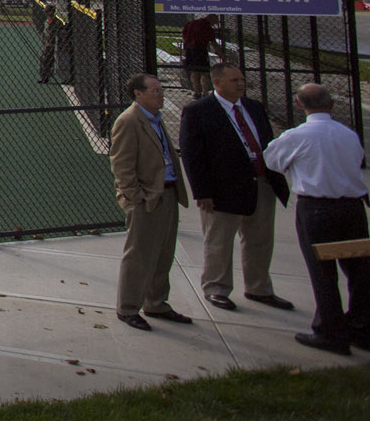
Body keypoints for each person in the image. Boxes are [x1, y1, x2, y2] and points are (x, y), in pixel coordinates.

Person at [262, 82, 370, 355]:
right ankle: (360, 326)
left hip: (317, 210)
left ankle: (330, 332)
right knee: (358, 270)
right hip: (352, 209)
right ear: (331, 104)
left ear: (299, 104)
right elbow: (357, 161)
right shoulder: (348, 135)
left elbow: (272, 160)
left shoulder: (297, 136)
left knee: (323, 272)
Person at [178, 61, 291, 312]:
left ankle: (259, 288)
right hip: (222, 189)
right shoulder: (198, 111)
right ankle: (216, 288)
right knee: (219, 240)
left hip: (261, 184)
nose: (240, 84)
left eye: (241, 79)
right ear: (216, 83)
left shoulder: (254, 107)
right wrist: (202, 192)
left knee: (260, 240)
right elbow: (193, 155)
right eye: (234, 80)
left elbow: (268, 143)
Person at [110, 72, 190, 329]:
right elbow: (122, 165)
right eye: (155, 90)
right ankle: (128, 307)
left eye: (161, 89)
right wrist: (136, 198)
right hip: (147, 198)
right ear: (138, 94)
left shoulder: (155, 120)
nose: (161, 94)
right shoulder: (129, 121)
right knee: (140, 255)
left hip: (167, 193)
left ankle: (156, 303)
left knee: (164, 253)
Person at [181, 13, 221, 96]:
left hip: (189, 49)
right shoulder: (207, 27)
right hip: (200, 50)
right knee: (204, 72)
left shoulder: (191, 23)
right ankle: (205, 92)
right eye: (215, 22)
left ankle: (196, 91)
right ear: (211, 19)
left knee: (194, 71)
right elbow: (213, 42)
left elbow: (183, 35)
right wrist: (221, 54)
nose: (214, 24)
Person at [36, 4, 70, 84]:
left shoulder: (57, 22)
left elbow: (60, 33)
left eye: (47, 12)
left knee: (57, 62)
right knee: (44, 60)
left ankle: (64, 78)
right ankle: (44, 76)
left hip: (54, 44)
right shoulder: (47, 21)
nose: (46, 13)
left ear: (52, 12)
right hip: (46, 44)